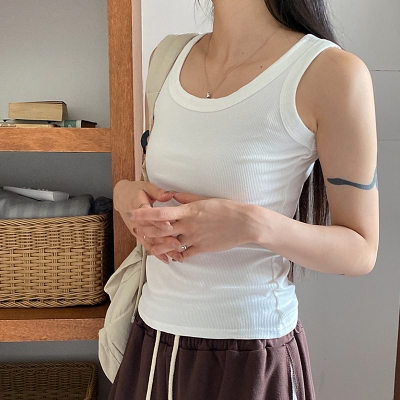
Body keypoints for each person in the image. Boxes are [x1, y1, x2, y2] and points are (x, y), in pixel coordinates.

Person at [108, 0, 379, 398]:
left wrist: (252, 225)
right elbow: (155, 185)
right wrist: (125, 195)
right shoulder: (167, 59)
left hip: (251, 355)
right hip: (153, 343)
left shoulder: (332, 73)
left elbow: (361, 250)